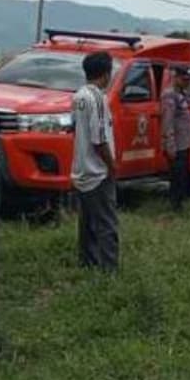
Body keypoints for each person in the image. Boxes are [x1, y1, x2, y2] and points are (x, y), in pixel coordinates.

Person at [72, 52, 119, 271]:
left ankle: (87, 263)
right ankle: (110, 270)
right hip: (97, 171)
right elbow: (99, 138)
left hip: (81, 169)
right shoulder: (98, 98)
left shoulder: (78, 96)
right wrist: (112, 166)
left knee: (87, 223)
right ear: (106, 73)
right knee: (107, 224)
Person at [162, 65, 190, 212]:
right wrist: (170, 144)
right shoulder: (169, 95)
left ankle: (180, 202)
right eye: (184, 79)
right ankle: (175, 205)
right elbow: (168, 121)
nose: (187, 82)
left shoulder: (184, 95)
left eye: (188, 80)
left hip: (185, 142)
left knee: (184, 175)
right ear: (176, 78)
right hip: (176, 143)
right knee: (177, 176)